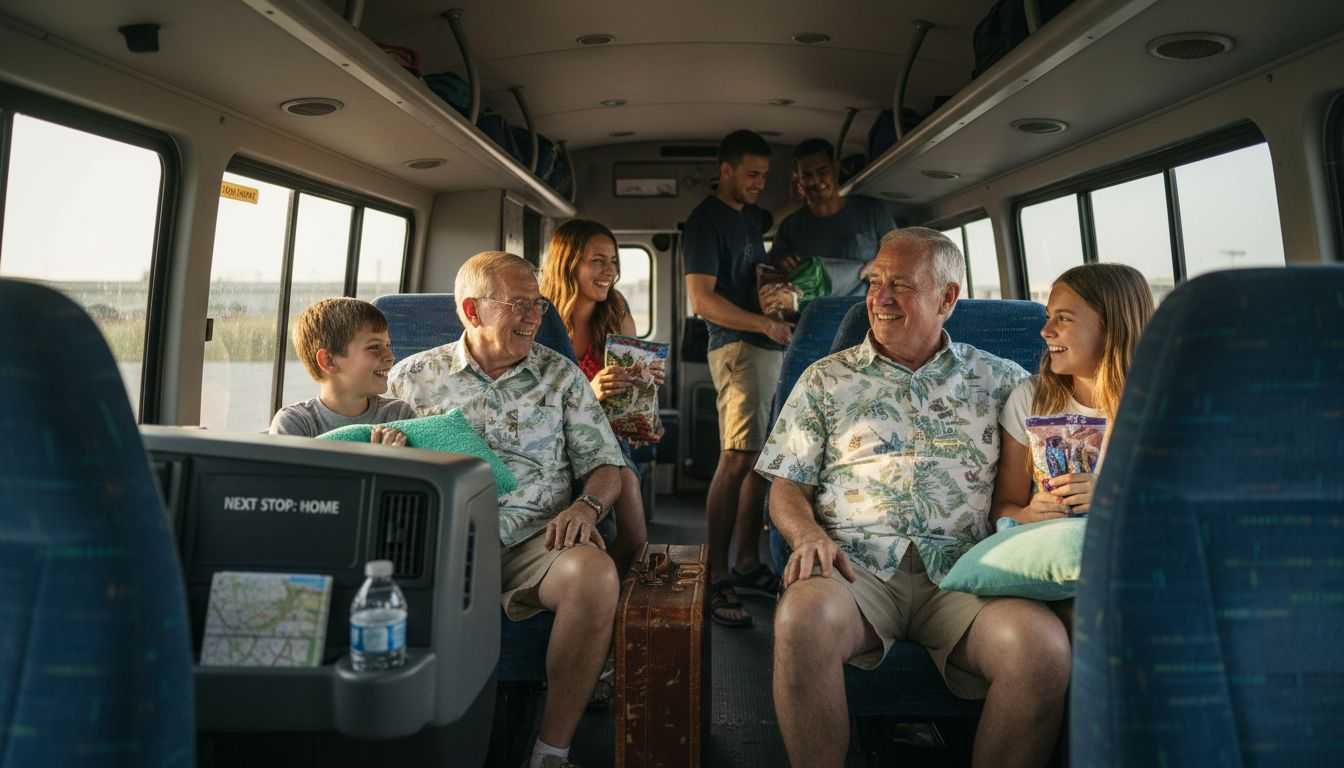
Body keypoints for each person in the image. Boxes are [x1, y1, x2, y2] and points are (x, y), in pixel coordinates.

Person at [760, 228, 1072, 768]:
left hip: (967, 572)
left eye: (902, 285)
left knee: (1041, 650)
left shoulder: (1003, 381)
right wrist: (807, 535)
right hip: (855, 569)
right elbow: (787, 485)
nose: (881, 298)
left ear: (947, 298)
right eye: (875, 282)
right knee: (800, 621)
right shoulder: (824, 380)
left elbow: (1066, 443)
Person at [386, 251, 628, 768]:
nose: (533, 317)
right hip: (440, 543)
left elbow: (608, 466)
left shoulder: (561, 376)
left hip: (537, 540)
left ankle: (551, 751)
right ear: (472, 310)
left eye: (538, 304)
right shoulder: (411, 379)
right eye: (517, 304)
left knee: (595, 577)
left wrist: (586, 507)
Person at [990, 263, 1155, 625]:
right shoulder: (1030, 399)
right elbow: (1002, 508)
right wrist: (1029, 514)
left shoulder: (1160, 405)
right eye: (1048, 317)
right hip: (1056, 571)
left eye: (1062, 319)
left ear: (1111, 327)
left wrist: (1112, 497)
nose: (1045, 331)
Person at [683, 129, 794, 627]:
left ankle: (748, 562)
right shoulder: (704, 222)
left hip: (765, 348)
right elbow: (702, 300)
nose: (758, 184)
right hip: (737, 347)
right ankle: (716, 574)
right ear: (725, 170)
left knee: (759, 461)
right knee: (736, 457)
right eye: (751, 174)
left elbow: (779, 214)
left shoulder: (749, 215)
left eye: (764, 176)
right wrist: (764, 324)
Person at [538, 218, 658, 580]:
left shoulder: (616, 313)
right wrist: (590, 390)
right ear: (569, 264)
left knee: (627, 484)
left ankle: (617, 583)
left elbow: (630, 401)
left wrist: (646, 393)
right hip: (550, 433)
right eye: (598, 261)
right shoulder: (539, 318)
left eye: (614, 262)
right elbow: (534, 399)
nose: (610, 272)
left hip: (603, 433)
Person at [267, 297, 412, 443]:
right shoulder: (295, 422)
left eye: (387, 346)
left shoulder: (399, 414)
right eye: (374, 347)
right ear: (329, 361)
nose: (390, 357)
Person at [770, 138, 895, 297]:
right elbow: (773, 277)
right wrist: (782, 266)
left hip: (865, 309)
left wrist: (879, 268)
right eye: (807, 175)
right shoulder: (790, 227)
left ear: (836, 169)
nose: (816, 180)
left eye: (822, 171)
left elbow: (902, 259)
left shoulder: (871, 211)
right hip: (814, 310)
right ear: (799, 181)